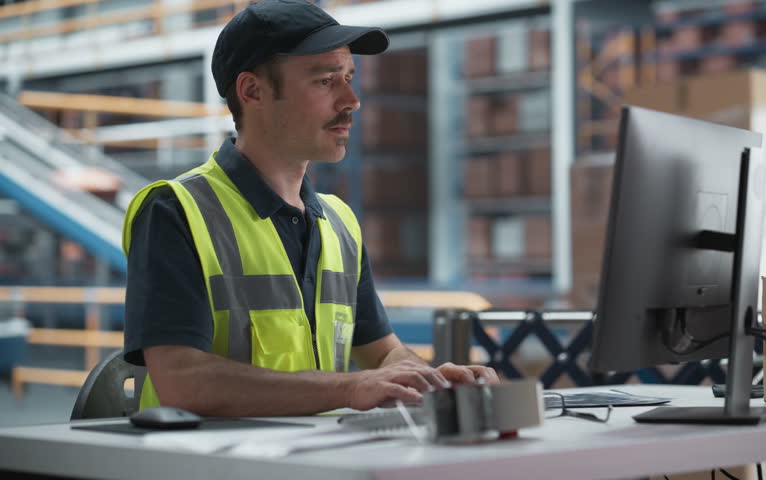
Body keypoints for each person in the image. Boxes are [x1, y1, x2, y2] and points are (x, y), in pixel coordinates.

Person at [122, 0, 498, 417]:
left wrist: (429, 380)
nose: (352, 100)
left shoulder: (339, 223)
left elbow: (381, 353)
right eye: (325, 81)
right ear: (252, 91)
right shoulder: (177, 211)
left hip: (314, 458)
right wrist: (351, 388)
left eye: (350, 79)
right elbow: (182, 382)